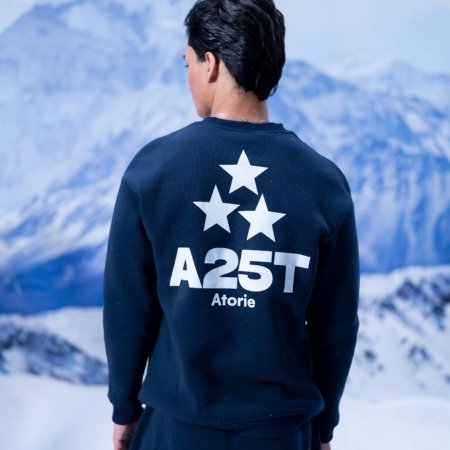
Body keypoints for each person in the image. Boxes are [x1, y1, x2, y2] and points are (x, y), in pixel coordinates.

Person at [103, 0, 359, 449]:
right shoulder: (323, 183)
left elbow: (127, 307)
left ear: (212, 64)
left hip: (174, 430)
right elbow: (335, 325)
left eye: (188, 62)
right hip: (283, 433)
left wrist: (124, 408)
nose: (188, 76)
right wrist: (324, 428)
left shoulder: (153, 169)